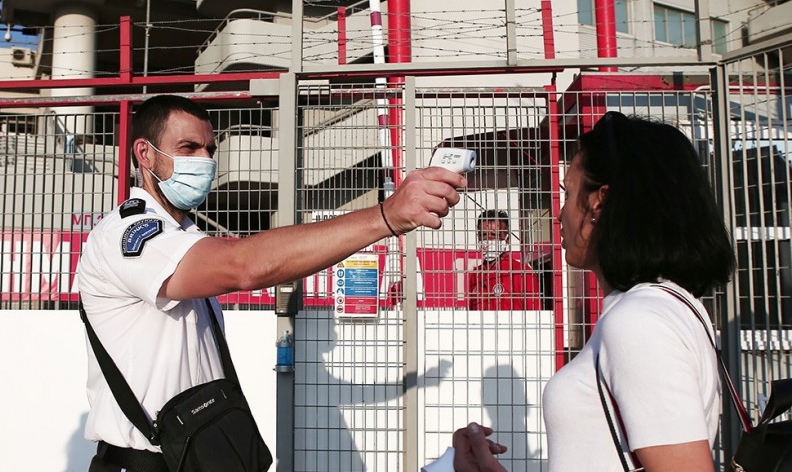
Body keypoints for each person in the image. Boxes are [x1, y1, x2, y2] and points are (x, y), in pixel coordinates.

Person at [76, 95, 466, 472]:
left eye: (210, 149)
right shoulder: (129, 231)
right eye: (189, 147)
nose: (206, 161)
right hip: (146, 462)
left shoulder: (184, 235)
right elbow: (242, 266)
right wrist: (386, 217)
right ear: (145, 155)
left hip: (199, 457)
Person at [451, 112, 735, 471]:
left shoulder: (639, 321)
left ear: (598, 203)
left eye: (568, 194)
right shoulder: (665, 307)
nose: (559, 215)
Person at [467, 210, 542, 310]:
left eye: (494, 235)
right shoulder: (475, 275)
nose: (488, 240)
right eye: (484, 235)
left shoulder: (522, 272)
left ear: (507, 240)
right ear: (478, 238)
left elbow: (535, 314)